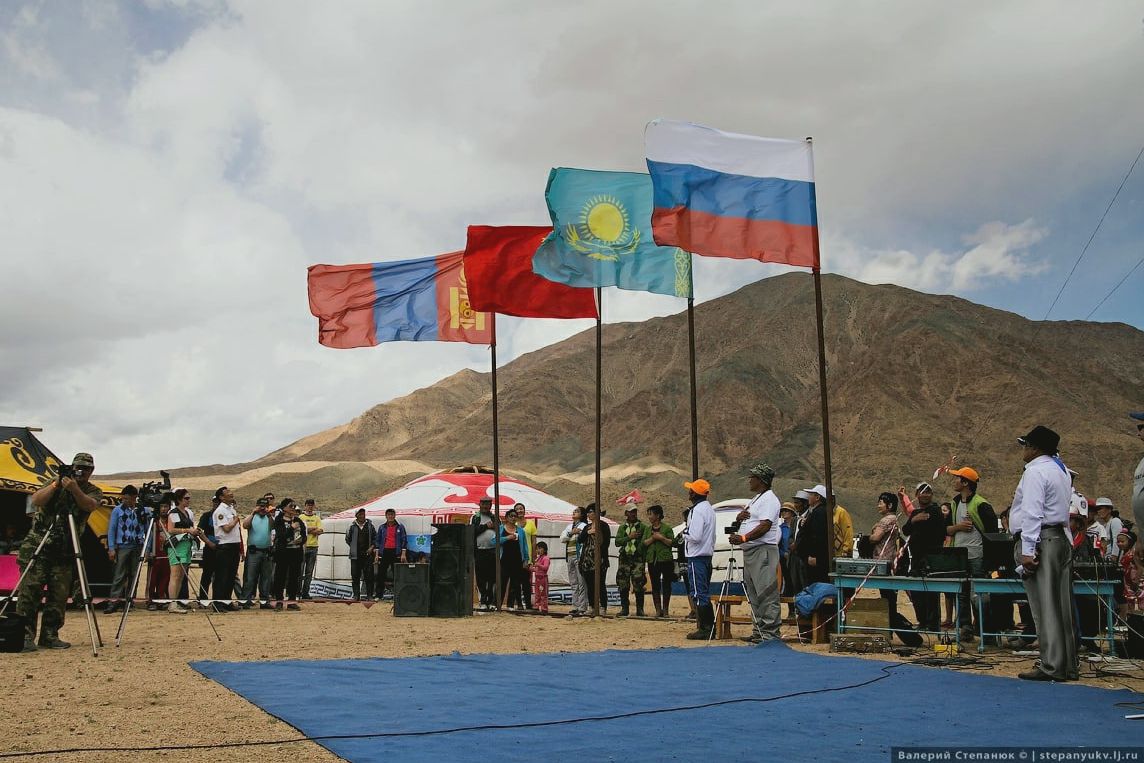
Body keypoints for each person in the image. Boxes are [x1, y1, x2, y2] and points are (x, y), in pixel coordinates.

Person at [16, 453, 103, 651]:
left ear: (92, 471)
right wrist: (57, 484)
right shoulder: (53, 483)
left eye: (86, 469)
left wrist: (74, 490)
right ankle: (24, 636)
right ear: (72, 467)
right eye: (78, 467)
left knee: (59, 595)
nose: (82, 472)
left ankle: (50, 635)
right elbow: (37, 500)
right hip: (39, 546)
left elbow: (90, 505)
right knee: (30, 593)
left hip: (65, 550)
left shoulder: (93, 490)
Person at [1009, 425, 1076, 681]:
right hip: (1059, 538)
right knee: (1062, 605)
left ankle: (1051, 665)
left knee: (1044, 605)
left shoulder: (1035, 471)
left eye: (1026, 445)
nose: (1024, 450)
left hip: (1042, 540)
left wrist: (1027, 550)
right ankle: (1067, 663)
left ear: (1035, 448)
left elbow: (1032, 512)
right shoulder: (1061, 470)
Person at [728, 463, 782, 643]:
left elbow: (765, 526)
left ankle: (770, 634)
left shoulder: (770, 500)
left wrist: (744, 538)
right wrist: (739, 519)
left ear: (761, 480)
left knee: (766, 592)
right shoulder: (756, 499)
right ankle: (759, 631)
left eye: (752, 477)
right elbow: (753, 520)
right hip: (751, 552)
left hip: (762, 551)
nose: (749, 480)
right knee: (753, 593)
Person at [946, 466, 997, 641]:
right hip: (959, 556)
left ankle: (985, 630)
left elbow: (992, 534)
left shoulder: (981, 504)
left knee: (979, 595)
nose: (954, 481)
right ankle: (965, 628)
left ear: (965, 482)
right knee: (961, 594)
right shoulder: (954, 503)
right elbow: (946, 529)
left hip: (977, 555)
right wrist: (958, 527)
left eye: (957, 478)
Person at [898, 482, 946, 631]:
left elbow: (938, 530)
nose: (925, 494)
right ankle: (922, 621)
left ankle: (933, 624)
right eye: (922, 492)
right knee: (917, 592)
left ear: (931, 495)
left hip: (932, 557)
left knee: (932, 592)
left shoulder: (936, 511)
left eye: (928, 492)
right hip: (917, 558)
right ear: (917, 495)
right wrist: (914, 520)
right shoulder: (914, 513)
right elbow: (905, 530)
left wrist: (922, 521)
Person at [104, 485, 146, 614]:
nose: (124, 501)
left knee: (134, 574)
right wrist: (111, 548)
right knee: (119, 575)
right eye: (123, 498)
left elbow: (147, 526)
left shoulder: (141, 510)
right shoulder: (117, 510)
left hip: (137, 545)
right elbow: (112, 529)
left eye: (127, 499)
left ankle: (129, 600)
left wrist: (147, 548)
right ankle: (113, 601)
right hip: (122, 545)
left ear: (134, 498)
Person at [682, 479, 716, 640]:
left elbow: (695, 536)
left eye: (691, 490)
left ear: (694, 493)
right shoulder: (709, 509)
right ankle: (709, 626)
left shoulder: (697, 511)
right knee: (703, 591)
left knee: (698, 592)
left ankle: (706, 628)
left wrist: (683, 534)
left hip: (697, 556)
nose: (688, 492)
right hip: (706, 555)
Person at [165, 490, 201, 613]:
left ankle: (177, 601)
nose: (188, 500)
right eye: (186, 498)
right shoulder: (173, 513)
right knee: (175, 575)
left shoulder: (186, 513)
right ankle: (172, 603)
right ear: (179, 499)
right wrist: (187, 530)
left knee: (181, 576)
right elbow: (171, 529)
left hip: (186, 545)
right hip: (177, 545)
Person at [869, 491, 901, 620]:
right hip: (890, 560)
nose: (878, 505)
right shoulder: (894, 519)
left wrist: (871, 534)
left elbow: (875, 538)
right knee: (890, 597)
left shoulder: (886, 520)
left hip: (883, 562)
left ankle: (890, 623)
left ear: (890, 505)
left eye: (881, 503)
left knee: (887, 596)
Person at [209, 487, 242, 612]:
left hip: (234, 545)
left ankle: (227, 601)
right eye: (227, 492)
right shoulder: (220, 511)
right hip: (224, 546)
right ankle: (218, 603)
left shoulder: (231, 509)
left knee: (231, 576)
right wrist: (235, 520)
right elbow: (226, 528)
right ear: (221, 497)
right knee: (221, 576)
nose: (231, 493)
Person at [614, 504, 649, 617]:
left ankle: (640, 610)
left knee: (639, 582)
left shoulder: (642, 527)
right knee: (623, 583)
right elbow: (617, 542)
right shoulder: (622, 527)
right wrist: (629, 537)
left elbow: (645, 542)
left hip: (637, 558)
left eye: (634, 511)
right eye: (630, 511)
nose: (633, 513)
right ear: (626, 513)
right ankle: (625, 608)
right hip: (625, 557)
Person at [271, 499, 306, 610]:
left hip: (296, 552)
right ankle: (279, 601)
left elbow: (304, 535)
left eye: (294, 506)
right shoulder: (279, 520)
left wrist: (301, 540)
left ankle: (291, 601)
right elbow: (281, 536)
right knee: (280, 577)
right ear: (284, 508)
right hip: (283, 553)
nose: (293, 508)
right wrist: (291, 528)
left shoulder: (298, 520)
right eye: (291, 506)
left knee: (294, 577)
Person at [240, 497, 275, 609]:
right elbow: (245, 525)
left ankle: (265, 601)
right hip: (254, 552)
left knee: (266, 578)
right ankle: (246, 600)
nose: (262, 508)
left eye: (265, 506)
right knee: (250, 577)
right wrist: (253, 512)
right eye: (261, 506)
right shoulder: (252, 517)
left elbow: (273, 527)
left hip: (266, 551)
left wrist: (269, 514)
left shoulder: (268, 518)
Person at [794, 485, 831, 586]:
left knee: (813, 584)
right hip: (809, 557)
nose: (808, 497)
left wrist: (814, 556)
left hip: (813, 559)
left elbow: (818, 536)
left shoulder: (819, 512)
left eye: (811, 495)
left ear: (817, 497)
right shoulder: (816, 512)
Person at [578, 503, 611, 615]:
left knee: (600, 583)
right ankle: (591, 606)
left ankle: (603, 607)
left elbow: (606, 543)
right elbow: (580, 539)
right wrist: (588, 532)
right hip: (587, 560)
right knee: (590, 585)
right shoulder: (587, 527)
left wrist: (597, 533)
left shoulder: (604, 525)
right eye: (587, 512)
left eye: (590, 511)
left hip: (599, 560)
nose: (588, 514)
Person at [643, 505, 675, 618]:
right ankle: (658, 610)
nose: (649, 517)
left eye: (651, 514)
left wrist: (661, 538)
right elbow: (644, 543)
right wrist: (653, 538)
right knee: (655, 585)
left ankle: (665, 610)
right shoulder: (647, 529)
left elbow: (672, 543)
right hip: (652, 560)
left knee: (667, 584)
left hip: (665, 559)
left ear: (657, 515)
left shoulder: (667, 529)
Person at [498, 508, 529, 609]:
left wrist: (526, 559)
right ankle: (498, 604)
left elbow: (524, 546)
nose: (513, 518)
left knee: (515, 583)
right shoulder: (501, 528)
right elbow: (494, 541)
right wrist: (507, 538)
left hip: (517, 559)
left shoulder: (520, 531)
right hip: (504, 559)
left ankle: (510, 604)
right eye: (511, 516)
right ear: (506, 517)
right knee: (502, 582)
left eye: (514, 516)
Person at [560, 507, 588, 616]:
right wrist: (572, 533)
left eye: (577, 511)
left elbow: (582, 538)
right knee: (573, 582)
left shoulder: (584, 526)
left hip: (579, 556)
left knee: (581, 582)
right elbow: (562, 538)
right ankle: (575, 606)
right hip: (570, 556)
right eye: (574, 511)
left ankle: (582, 606)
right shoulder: (569, 526)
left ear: (582, 515)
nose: (574, 512)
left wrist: (573, 533)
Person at [375, 508, 408, 600]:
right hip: (384, 552)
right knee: (381, 574)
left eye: (392, 515)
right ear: (386, 516)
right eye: (389, 515)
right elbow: (378, 541)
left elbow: (404, 540)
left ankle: (398, 595)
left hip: (396, 552)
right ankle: (378, 595)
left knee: (397, 574)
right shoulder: (382, 527)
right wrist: (377, 555)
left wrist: (403, 554)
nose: (390, 516)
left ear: (395, 516)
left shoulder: (400, 527)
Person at [344, 508, 376, 601]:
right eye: (360, 514)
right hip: (355, 555)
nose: (362, 516)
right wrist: (354, 547)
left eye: (363, 514)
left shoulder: (370, 526)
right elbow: (347, 539)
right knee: (355, 575)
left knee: (369, 576)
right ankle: (356, 596)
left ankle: (369, 595)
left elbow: (375, 538)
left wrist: (372, 547)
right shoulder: (351, 526)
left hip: (368, 554)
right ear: (356, 515)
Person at [472, 498, 498, 610]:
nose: (486, 506)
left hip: (492, 551)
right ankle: (482, 601)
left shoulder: (495, 517)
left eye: (488, 504)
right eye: (484, 504)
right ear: (479, 504)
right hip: (480, 551)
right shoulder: (475, 518)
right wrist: (486, 526)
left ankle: (491, 601)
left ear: (491, 505)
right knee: (481, 577)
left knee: (492, 577)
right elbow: (472, 531)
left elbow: (501, 531)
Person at [298, 499, 323, 599]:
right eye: (308, 505)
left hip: (313, 547)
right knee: (299, 571)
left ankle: (305, 593)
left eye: (312, 505)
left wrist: (307, 529)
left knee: (309, 572)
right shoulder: (301, 517)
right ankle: (297, 591)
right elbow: (300, 529)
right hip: (302, 546)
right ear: (305, 506)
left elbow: (320, 530)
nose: (310, 507)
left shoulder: (317, 518)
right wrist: (312, 529)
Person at [532, 541, 551, 613]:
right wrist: (531, 569)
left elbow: (546, 567)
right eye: (537, 549)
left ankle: (544, 608)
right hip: (537, 579)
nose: (538, 550)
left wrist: (538, 565)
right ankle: (536, 606)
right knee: (537, 593)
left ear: (545, 549)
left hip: (543, 579)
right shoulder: (539, 558)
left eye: (540, 548)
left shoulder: (546, 558)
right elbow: (537, 569)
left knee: (543, 594)